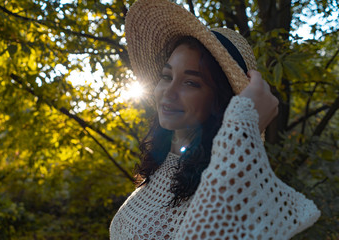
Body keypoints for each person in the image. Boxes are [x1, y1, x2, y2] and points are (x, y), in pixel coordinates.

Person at [110, 0, 321, 239]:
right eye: (167, 76)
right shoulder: (158, 169)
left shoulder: (235, 187)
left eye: (190, 82)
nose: (168, 92)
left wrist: (244, 130)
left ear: (218, 102)